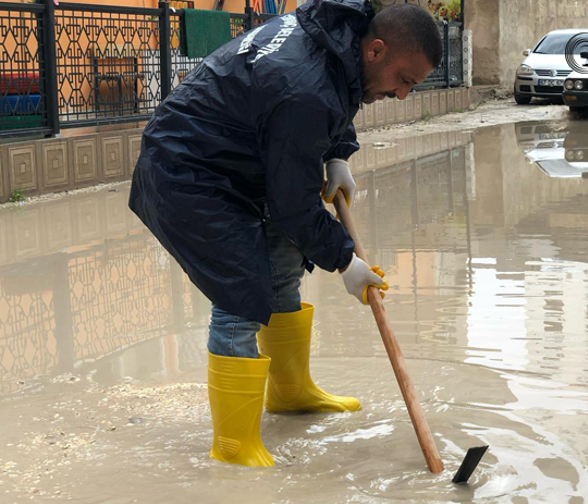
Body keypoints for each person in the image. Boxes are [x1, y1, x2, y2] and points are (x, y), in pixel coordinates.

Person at [129, 0, 442, 467]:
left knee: (283, 263)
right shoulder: (305, 87)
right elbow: (294, 203)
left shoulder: (336, 40)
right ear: (376, 50)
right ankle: (233, 446)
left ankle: (291, 393)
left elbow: (332, 94)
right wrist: (345, 260)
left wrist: (337, 152)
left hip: (237, 161)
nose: (401, 95)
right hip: (186, 173)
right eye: (404, 81)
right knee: (241, 293)